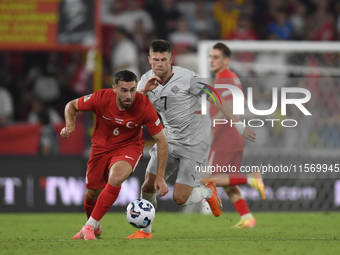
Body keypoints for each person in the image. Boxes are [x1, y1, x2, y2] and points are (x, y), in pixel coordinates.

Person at [126, 39, 256, 239]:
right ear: (149, 59)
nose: (159, 64)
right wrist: (143, 92)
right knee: (147, 185)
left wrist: (238, 124)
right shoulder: (145, 80)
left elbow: (215, 97)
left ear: (171, 59)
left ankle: (208, 193)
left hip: (195, 143)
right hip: (169, 139)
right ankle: (146, 232)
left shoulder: (188, 79)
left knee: (180, 198)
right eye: (156, 60)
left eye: (164, 60)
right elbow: (133, 111)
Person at [60, 70, 169, 240]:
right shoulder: (101, 98)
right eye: (124, 90)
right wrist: (70, 125)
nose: (129, 96)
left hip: (129, 147)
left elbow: (162, 141)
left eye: (133, 90)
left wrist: (160, 177)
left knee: (116, 177)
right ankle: (94, 227)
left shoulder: (144, 106)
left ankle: (89, 226)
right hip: (100, 147)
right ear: (114, 89)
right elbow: (71, 105)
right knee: (91, 194)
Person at [200, 42, 266, 228]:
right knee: (229, 182)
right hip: (233, 137)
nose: (212, 60)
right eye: (211, 57)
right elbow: (242, 102)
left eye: (216, 57)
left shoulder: (224, 78)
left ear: (226, 60)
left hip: (225, 137)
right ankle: (247, 217)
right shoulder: (231, 77)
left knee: (206, 179)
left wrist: (212, 122)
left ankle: (251, 179)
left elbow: (233, 104)